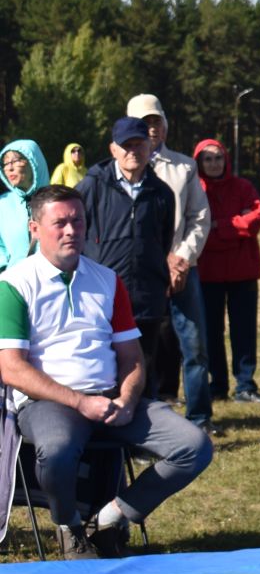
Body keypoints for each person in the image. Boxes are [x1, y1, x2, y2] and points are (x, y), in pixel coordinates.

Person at [0, 184, 213, 559]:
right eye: (60, 223)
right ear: (34, 229)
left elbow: (131, 356)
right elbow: (12, 369)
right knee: (58, 450)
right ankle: (70, 528)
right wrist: (81, 402)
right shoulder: (13, 285)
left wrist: (128, 400)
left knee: (194, 446)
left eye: (78, 221)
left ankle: (112, 517)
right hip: (49, 402)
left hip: (112, 399)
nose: (71, 231)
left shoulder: (107, 280)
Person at [127, 95, 214, 434]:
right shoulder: (119, 169)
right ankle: (142, 418)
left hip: (182, 269)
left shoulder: (184, 167)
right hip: (141, 274)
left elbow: (199, 217)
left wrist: (182, 257)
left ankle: (200, 418)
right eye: (145, 122)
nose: (152, 128)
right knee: (138, 348)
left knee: (195, 346)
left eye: (157, 121)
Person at [76, 119, 176, 390]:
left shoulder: (162, 193)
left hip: (146, 297)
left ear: (150, 146)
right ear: (113, 149)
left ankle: (146, 425)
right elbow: (75, 232)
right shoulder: (92, 187)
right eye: (126, 145)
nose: (133, 151)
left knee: (145, 367)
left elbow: (163, 241)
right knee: (103, 370)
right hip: (101, 297)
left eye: (139, 144)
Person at [193, 138, 260, 404]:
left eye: (218, 158)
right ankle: (218, 384)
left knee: (244, 331)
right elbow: (197, 231)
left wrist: (218, 226)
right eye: (208, 159)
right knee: (211, 331)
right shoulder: (195, 190)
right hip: (208, 273)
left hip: (243, 272)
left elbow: (254, 220)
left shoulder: (243, 187)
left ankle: (245, 384)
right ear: (199, 162)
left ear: (226, 159)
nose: (214, 164)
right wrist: (234, 226)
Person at [0, 139, 49, 270]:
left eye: (15, 161)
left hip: (52, 282)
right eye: (5, 163)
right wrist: (3, 268)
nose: (9, 168)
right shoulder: (3, 204)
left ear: (34, 162)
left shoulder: (55, 202)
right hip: (13, 283)